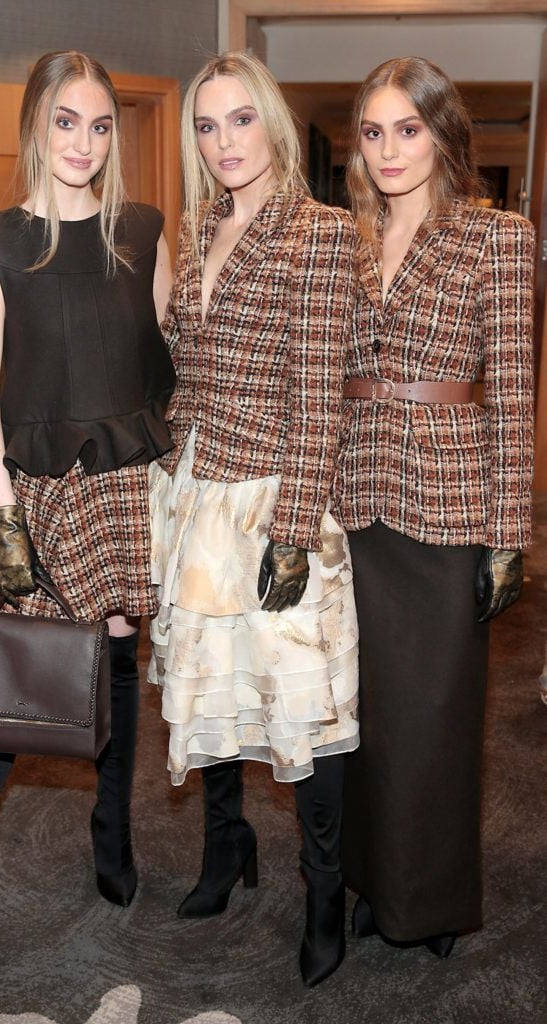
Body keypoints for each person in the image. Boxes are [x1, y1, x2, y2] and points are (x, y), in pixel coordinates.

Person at [0, 50, 175, 964]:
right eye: (65, 120)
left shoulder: (143, 231)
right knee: (7, 687)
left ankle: (112, 842)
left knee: (115, 673)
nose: (83, 141)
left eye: (100, 124)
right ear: (36, 123)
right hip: (25, 491)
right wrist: (3, 523)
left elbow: (164, 369)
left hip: (115, 489)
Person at [147, 52, 358, 988]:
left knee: (295, 705)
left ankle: (323, 891)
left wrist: (295, 529)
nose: (223, 141)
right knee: (211, 686)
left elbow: (319, 392)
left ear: (270, 122)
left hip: (273, 492)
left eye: (239, 119)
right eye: (205, 124)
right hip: (194, 489)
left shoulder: (319, 232)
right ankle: (226, 851)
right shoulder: (195, 231)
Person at [334, 56, 535, 958]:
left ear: (443, 134)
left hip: (447, 506)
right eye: (373, 132)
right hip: (354, 500)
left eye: (407, 129)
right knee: (364, 714)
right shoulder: (342, 238)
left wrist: (508, 534)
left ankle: (434, 901)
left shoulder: (499, 239)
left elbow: (514, 394)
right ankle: (372, 882)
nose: (388, 150)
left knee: (437, 719)